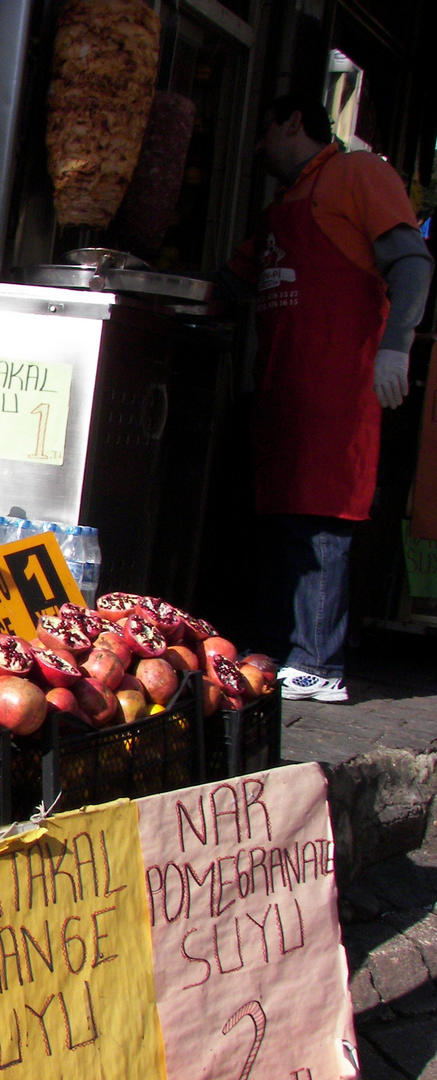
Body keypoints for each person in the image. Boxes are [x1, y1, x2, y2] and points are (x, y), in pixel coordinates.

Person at [222, 93, 432, 702]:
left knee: (322, 522)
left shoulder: (360, 174)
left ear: (293, 122)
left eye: (264, 133)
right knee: (286, 520)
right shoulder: (280, 206)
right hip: (285, 386)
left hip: (339, 386)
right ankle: (283, 652)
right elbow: (235, 282)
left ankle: (320, 663)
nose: (258, 150)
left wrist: (398, 345)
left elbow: (412, 263)